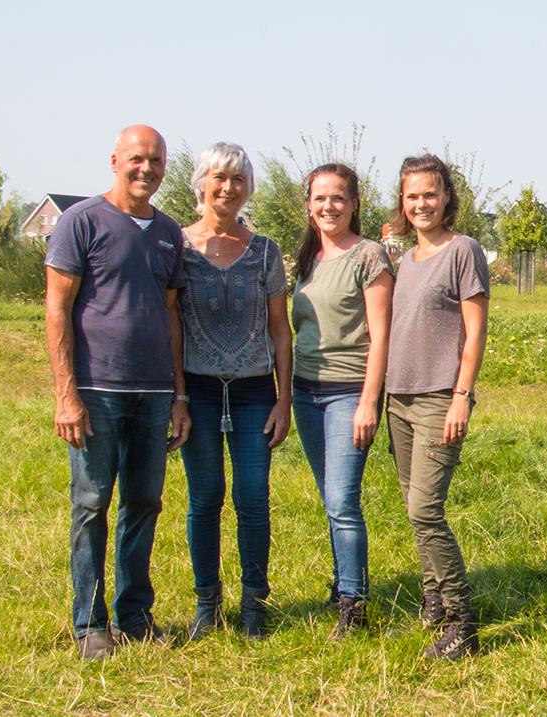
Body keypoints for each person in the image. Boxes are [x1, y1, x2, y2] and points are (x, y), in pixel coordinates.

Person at [44, 125, 191, 661]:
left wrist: (178, 396)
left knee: (144, 503)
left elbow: (172, 314)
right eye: (136, 158)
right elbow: (57, 308)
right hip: (95, 391)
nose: (146, 168)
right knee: (90, 503)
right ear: (114, 161)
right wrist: (66, 394)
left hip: (153, 393)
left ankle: (134, 615)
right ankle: (89, 624)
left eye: (155, 160)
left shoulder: (169, 233)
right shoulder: (80, 221)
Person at [176, 142, 292, 640]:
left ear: (248, 188)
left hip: (253, 396)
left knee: (253, 498)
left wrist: (283, 399)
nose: (228, 188)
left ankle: (254, 605)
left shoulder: (265, 251)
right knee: (204, 498)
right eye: (219, 178)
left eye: (238, 180)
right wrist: (177, 397)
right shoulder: (175, 246)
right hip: (197, 394)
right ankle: (207, 603)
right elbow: (169, 324)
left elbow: (280, 329)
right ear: (201, 182)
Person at [385, 154, 489, 660]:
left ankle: (463, 622)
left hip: (437, 398)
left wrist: (461, 397)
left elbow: (475, 333)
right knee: (413, 506)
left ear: (446, 196)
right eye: (412, 196)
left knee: (425, 509)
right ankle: (434, 599)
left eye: (430, 193)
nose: (421, 203)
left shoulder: (463, 251)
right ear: (402, 202)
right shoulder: (405, 259)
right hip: (396, 398)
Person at [290, 163, 394, 640]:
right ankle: (341, 586)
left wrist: (369, 402)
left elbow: (381, 336)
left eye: (338, 198)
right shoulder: (308, 257)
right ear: (308, 206)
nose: (328, 206)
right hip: (305, 392)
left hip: (348, 392)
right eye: (319, 198)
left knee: (342, 500)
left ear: (354, 204)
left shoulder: (369, 257)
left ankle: (354, 605)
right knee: (328, 498)